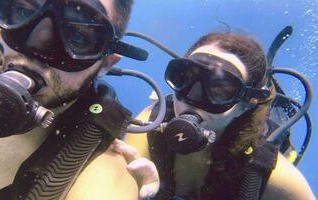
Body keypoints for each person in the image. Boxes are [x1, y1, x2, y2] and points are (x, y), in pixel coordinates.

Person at [0, 0, 159, 199]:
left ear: (106, 63)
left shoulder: (101, 182)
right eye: (23, 11)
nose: (36, 43)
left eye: (77, 35)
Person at [125, 32, 315, 199]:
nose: (192, 97)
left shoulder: (270, 173)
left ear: (246, 106)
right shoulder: (149, 125)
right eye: (184, 78)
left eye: (220, 89)